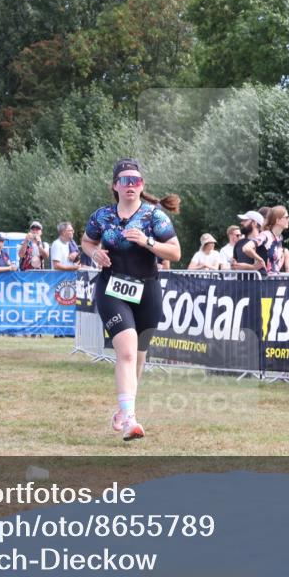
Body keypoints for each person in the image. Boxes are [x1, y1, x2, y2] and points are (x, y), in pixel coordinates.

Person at [81, 157, 181, 441]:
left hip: (147, 290)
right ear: (115, 185)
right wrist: (94, 253)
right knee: (125, 352)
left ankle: (123, 410)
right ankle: (130, 421)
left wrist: (147, 242)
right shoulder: (103, 216)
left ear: (142, 185)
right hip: (112, 288)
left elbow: (175, 253)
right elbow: (87, 241)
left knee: (138, 358)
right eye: (124, 180)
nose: (130, 185)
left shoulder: (154, 217)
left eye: (135, 181)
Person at [259, 206, 289, 275]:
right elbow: (247, 248)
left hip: (273, 281)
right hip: (263, 281)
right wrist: (258, 259)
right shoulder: (265, 235)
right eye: (286, 217)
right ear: (278, 220)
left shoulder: (279, 238)